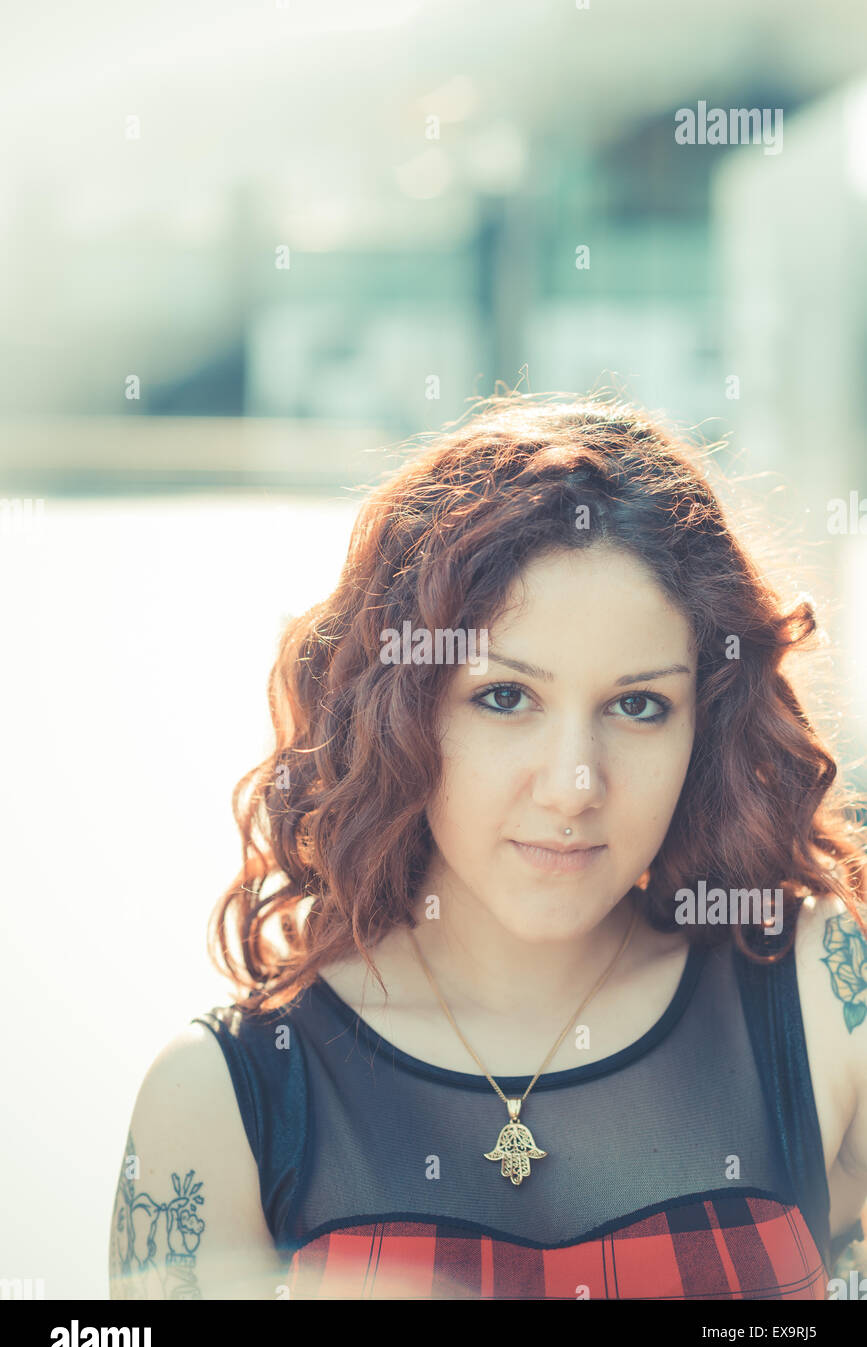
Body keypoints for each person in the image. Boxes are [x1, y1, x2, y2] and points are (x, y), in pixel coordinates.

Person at [109, 391, 867, 1300]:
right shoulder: (227, 1103)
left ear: (701, 729)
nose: (574, 784)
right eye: (505, 698)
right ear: (401, 710)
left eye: (637, 705)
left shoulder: (820, 997)